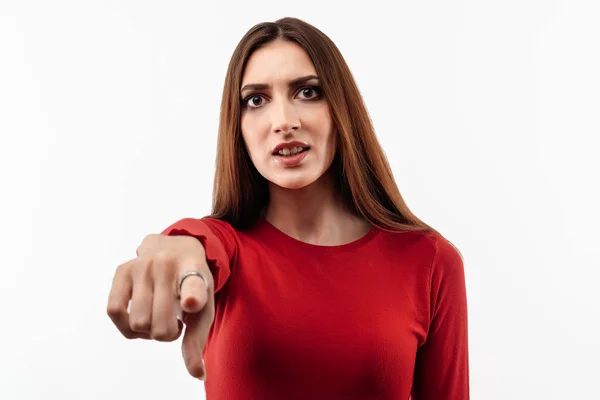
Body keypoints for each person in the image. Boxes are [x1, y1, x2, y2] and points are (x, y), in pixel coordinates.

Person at [107, 17, 469, 400]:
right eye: (256, 100)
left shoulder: (428, 261)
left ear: (341, 109)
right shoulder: (227, 249)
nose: (284, 122)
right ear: (238, 127)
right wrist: (177, 248)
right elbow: (196, 244)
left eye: (308, 92)